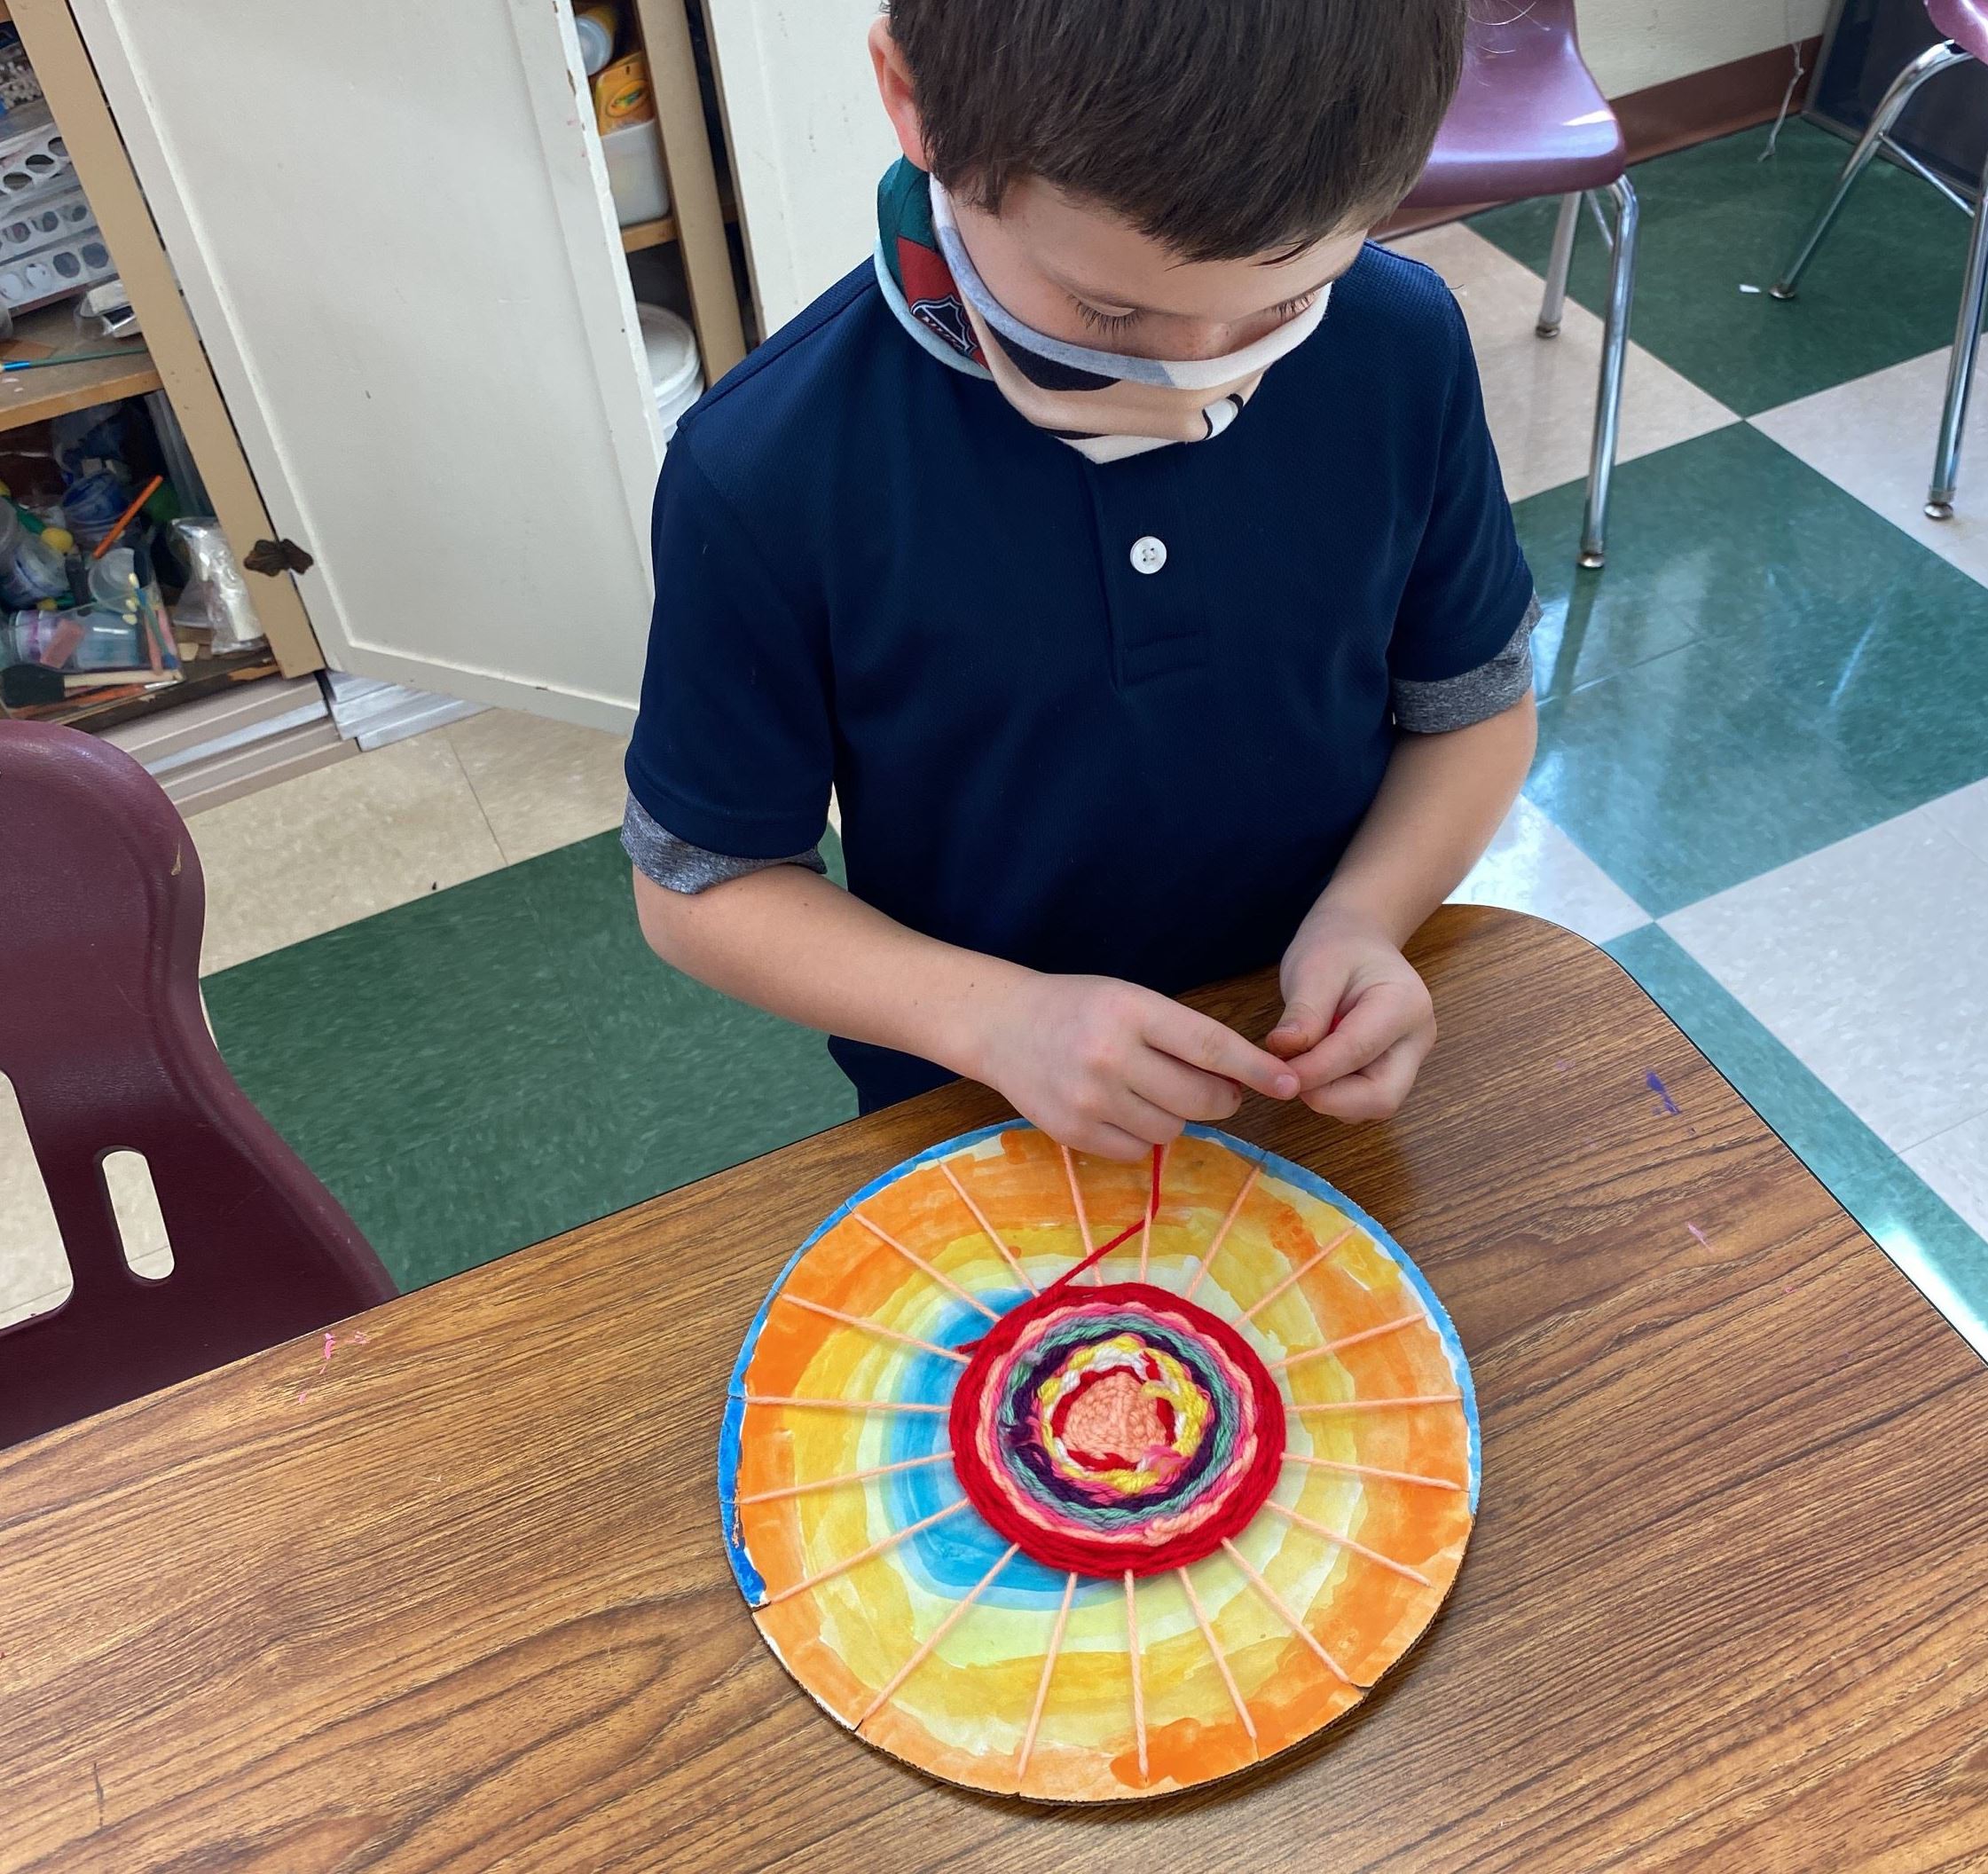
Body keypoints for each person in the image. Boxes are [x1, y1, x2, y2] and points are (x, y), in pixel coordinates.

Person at [623, 0, 1537, 1160]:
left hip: (1304, 1074)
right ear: (914, 101)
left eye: (1282, 304)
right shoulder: (766, 472)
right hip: (980, 1107)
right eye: (1108, 310)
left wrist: (1367, 918)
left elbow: (1475, 711)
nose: (1197, 381)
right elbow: (702, 886)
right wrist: (994, 1021)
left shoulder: (1401, 346)